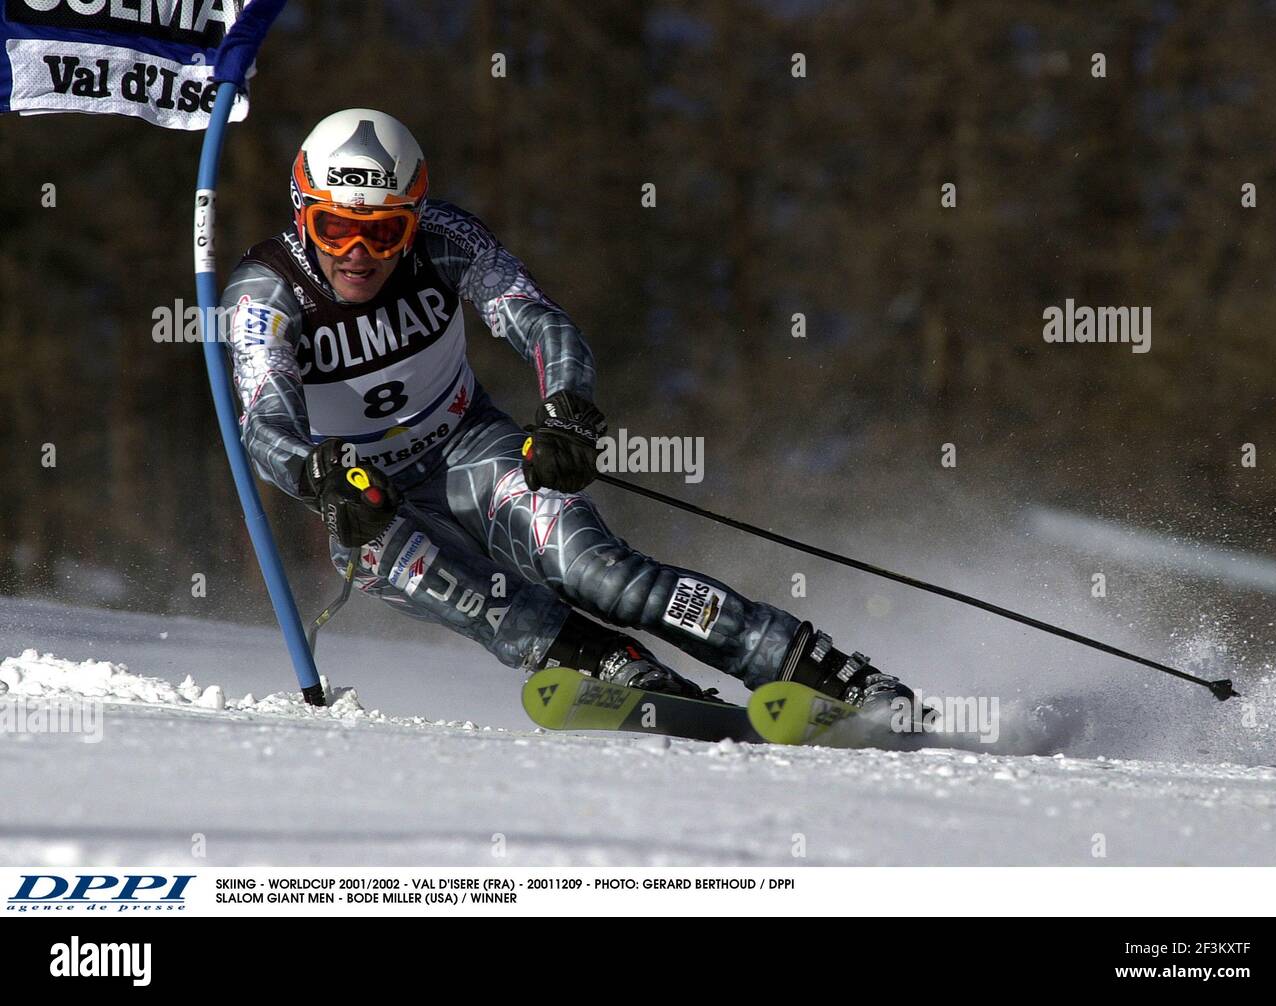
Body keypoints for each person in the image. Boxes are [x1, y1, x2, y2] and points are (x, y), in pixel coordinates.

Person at [222, 107, 919, 714]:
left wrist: (564, 412)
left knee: (598, 573)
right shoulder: (264, 294)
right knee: (483, 605)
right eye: (335, 226)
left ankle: (824, 673)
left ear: (414, 218)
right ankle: (612, 667)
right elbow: (264, 423)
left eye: (383, 232)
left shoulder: (445, 240)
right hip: (363, 494)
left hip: (470, 449)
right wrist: (321, 478)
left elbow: (542, 324)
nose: (358, 253)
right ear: (301, 211)